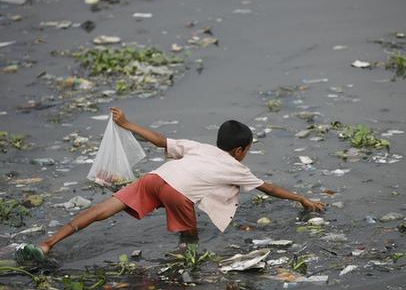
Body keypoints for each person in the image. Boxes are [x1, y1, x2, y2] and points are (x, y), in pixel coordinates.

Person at [20, 107, 325, 259]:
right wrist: (302, 200)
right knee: (190, 237)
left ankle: (46, 243)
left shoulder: (198, 147)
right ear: (239, 151)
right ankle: (184, 259)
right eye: (248, 150)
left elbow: (159, 140)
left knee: (103, 209)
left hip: (156, 178)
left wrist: (126, 123)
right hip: (176, 192)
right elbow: (269, 188)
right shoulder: (235, 167)